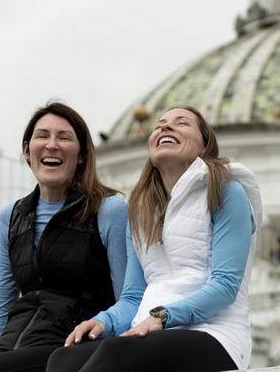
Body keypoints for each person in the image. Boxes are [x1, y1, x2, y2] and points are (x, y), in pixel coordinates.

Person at [46, 106, 263, 372]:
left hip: (216, 334)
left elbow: (225, 286)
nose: (165, 127)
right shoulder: (140, 210)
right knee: (63, 358)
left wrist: (162, 317)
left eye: (181, 123)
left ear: (205, 146)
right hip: (151, 331)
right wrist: (104, 321)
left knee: (117, 352)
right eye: (159, 124)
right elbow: (133, 297)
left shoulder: (227, 191)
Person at [0, 102, 128, 372]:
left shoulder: (108, 210)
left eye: (64, 138)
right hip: (12, 343)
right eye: (42, 136)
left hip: (71, 345)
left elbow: (127, 298)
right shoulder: (11, 216)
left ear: (82, 155)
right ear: (27, 150)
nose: (52, 145)